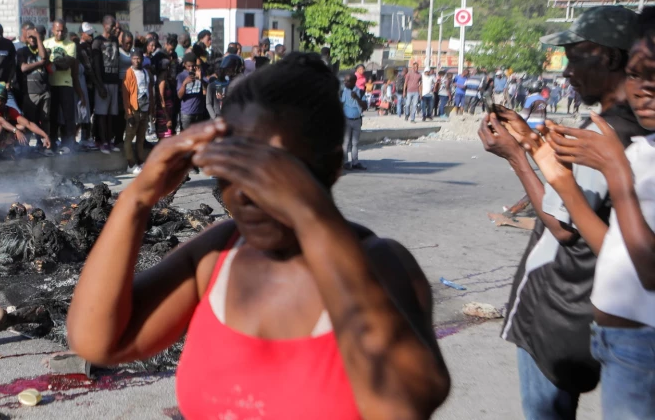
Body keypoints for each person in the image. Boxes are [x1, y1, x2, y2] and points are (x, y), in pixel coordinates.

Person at [66, 52, 450, 420]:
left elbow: (403, 405)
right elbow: (96, 340)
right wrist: (137, 198)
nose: (246, 193)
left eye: (270, 171)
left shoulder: (381, 266)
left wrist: (311, 213)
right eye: (232, 166)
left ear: (331, 167)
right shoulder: (219, 256)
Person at [478, 5, 650, 420]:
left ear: (607, 58)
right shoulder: (639, 132)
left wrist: (517, 157)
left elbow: (561, 227)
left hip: (559, 315)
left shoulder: (604, 134)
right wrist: (534, 147)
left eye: (574, 57)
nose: (566, 71)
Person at [528, 8, 655, 418]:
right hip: (615, 338)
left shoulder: (622, 149)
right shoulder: (640, 151)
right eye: (637, 75)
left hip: (642, 345)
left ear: (607, 59)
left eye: (653, 72)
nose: (643, 89)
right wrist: (549, 171)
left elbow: (648, 269)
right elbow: (614, 249)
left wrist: (615, 172)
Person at [44, 19, 83, 154]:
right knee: (52, 116)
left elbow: (68, 64)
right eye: (57, 30)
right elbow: (44, 63)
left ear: (65, 30)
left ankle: (68, 144)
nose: (60, 33)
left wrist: (52, 63)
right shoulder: (46, 43)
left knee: (68, 117)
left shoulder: (71, 45)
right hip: (51, 84)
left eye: (62, 30)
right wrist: (54, 63)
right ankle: (52, 142)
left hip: (66, 84)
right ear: (53, 30)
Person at [0, 85, 50, 159]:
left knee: (22, 126)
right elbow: (2, 121)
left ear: (5, 101)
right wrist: (16, 131)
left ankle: (5, 151)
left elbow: (28, 123)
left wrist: (45, 136)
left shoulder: (10, 110)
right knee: (0, 127)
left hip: (0, 140)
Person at [17, 25, 51, 154]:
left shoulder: (44, 49)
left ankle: (44, 144)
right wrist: (39, 64)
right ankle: (31, 146)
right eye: (30, 37)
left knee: (45, 118)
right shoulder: (22, 51)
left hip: (44, 90)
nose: (32, 39)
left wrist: (37, 37)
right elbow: (24, 68)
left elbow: (44, 58)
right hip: (30, 91)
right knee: (31, 120)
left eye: (34, 37)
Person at [90, 16, 121, 154]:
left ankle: (109, 140)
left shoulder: (115, 40)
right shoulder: (97, 42)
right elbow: (96, 66)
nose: (115, 28)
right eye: (112, 25)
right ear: (105, 25)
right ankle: (102, 142)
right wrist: (100, 85)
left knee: (111, 114)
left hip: (114, 81)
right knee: (102, 114)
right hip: (103, 82)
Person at [122, 48, 153, 174]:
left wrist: (152, 109)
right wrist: (128, 113)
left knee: (141, 138)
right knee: (129, 137)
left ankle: (141, 161)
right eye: (134, 58)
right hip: (134, 109)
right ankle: (130, 164)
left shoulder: (146, 72)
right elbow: (125, 95)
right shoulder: (128, 73)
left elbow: (150, 91)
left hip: (144, 109)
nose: (137, 61)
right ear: (131, 59)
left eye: (139, 58)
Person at [75, 23, 97, 149]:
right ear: (82, 34)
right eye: (88, 34)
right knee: (84, 113)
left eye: (91, 33)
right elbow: (89, 68)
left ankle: (85, 137)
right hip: (86, 84)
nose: (91, 36)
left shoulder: (89, 47)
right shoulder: (81, 48)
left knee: (88, 112)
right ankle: (83, 138)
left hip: (89, 84)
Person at [341, 72, 367, 171]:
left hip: (357, 120)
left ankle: (355, 162)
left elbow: (364, 107)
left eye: (347, 81)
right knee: (346, 143)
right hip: (347, 120)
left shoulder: (360, 92)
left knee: (355, 143)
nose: (345, 82)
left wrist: (356, 97)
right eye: (345, 80)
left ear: (354, 82)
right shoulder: (342, 92)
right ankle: (345, 162)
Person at [177, 52, 208, 131]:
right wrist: (184, 84)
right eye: (188, 66)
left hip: (199, 112)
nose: (191, 68)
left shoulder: (200, 73)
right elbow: (179, 96)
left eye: (193, 66)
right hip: (187, 113)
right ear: (184, 65)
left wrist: (201, 79)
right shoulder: (181, 76)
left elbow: (207, 91)